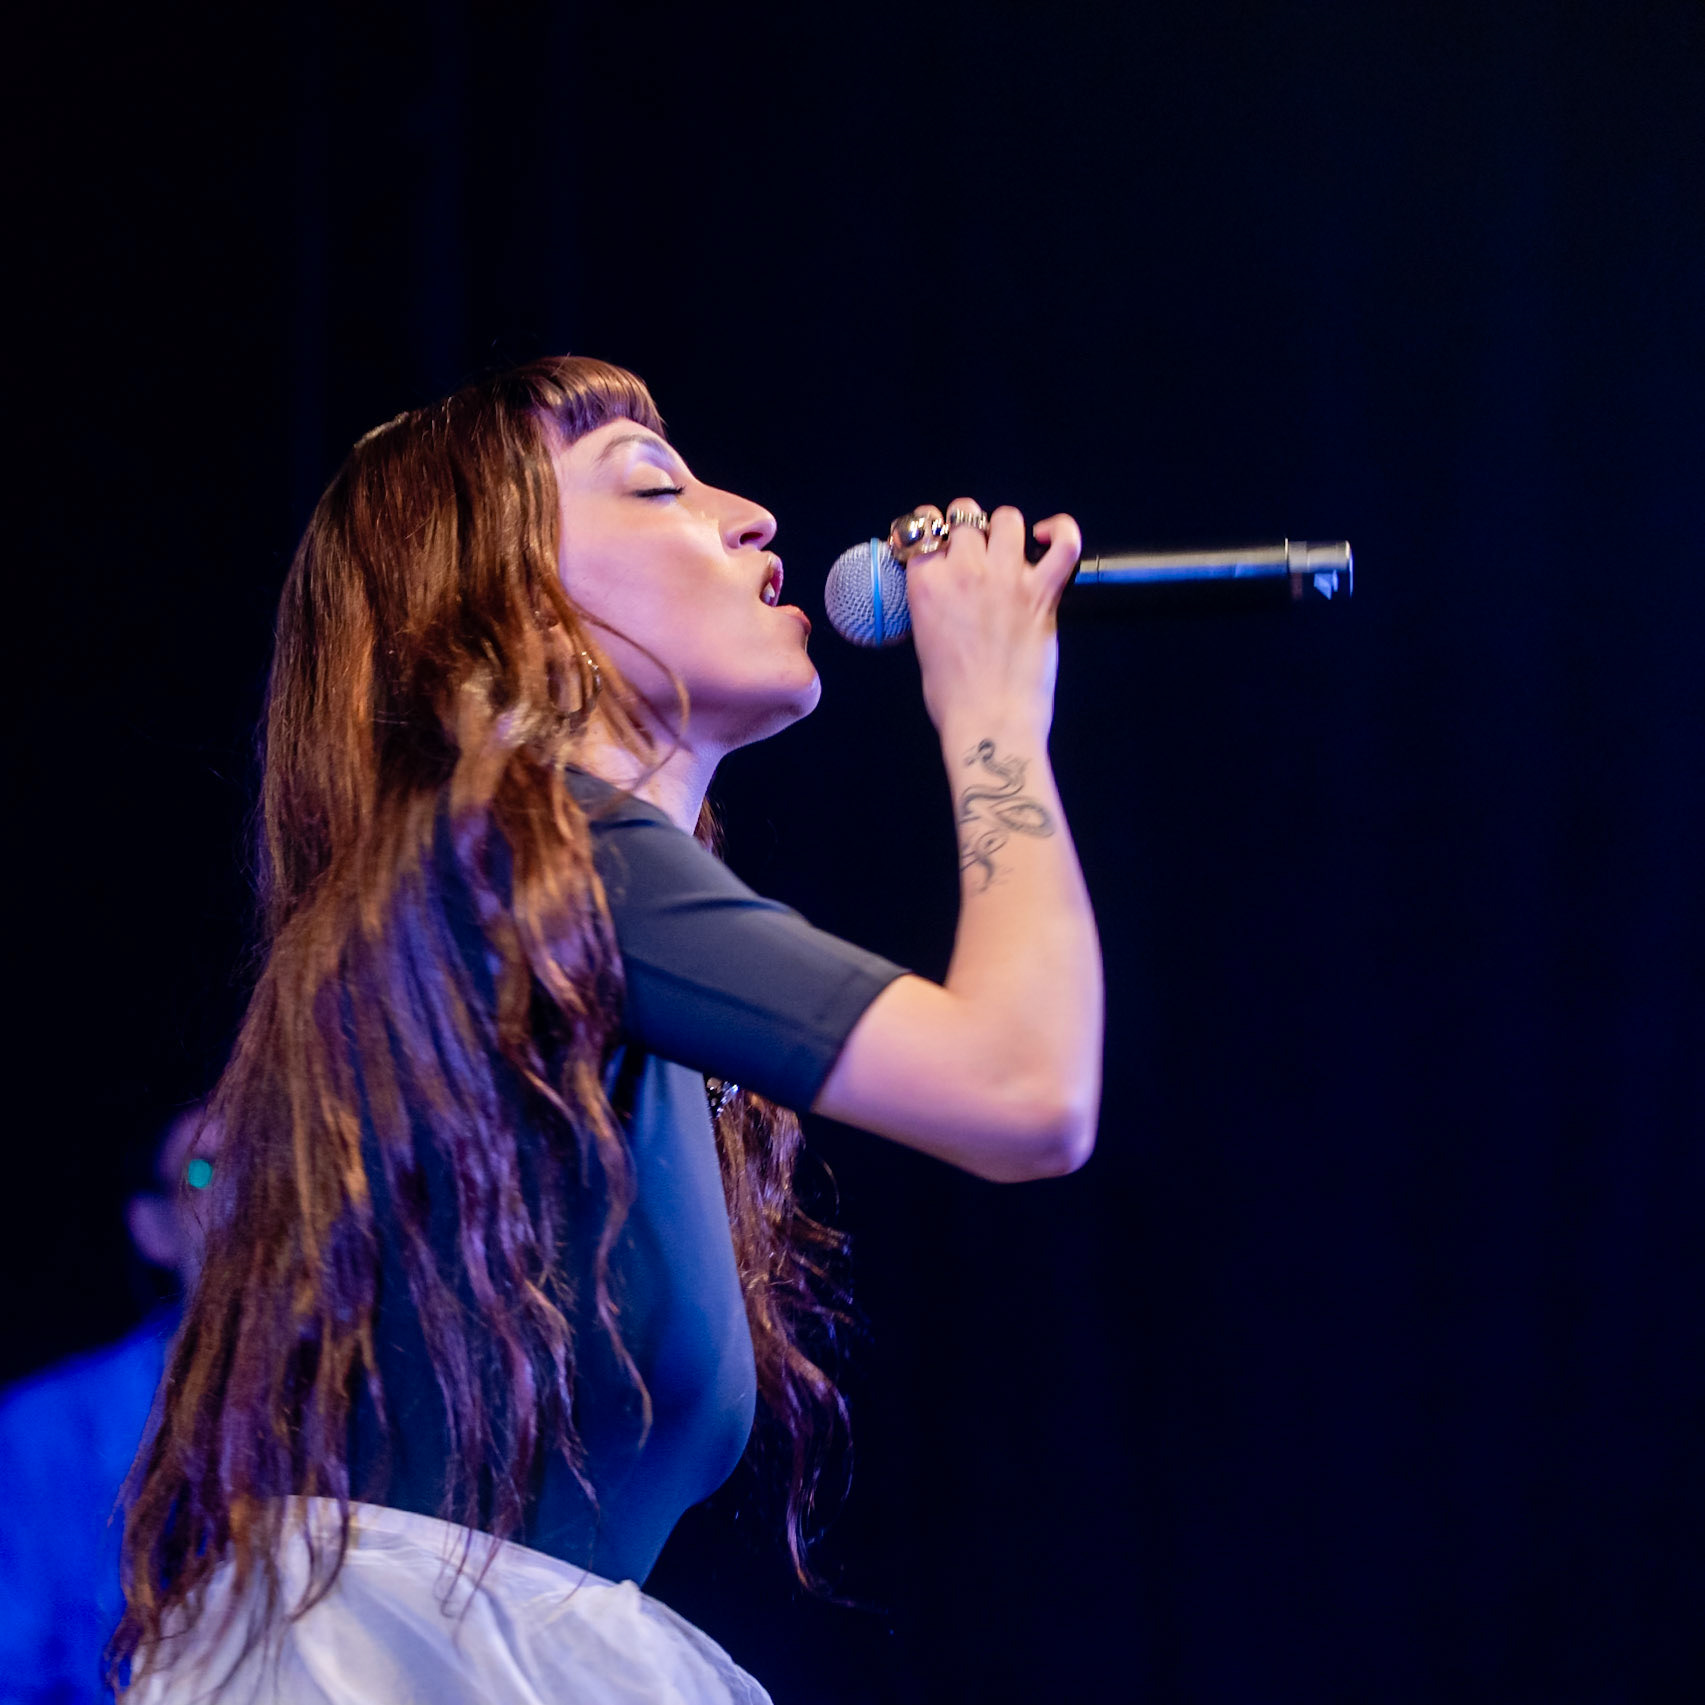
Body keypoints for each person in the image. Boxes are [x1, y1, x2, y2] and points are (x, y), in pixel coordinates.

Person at [112, 356, 1103, 1702]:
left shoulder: (570, 926)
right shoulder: (519, 854)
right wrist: (992, 718)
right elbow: (1026, 1087)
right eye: (653, 484)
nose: (751, 515)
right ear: (510, 603)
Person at [0, 1097, 214, 1702]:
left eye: (278, 1163)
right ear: (153, 1226)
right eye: (207, 1171)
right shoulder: (47, 1432)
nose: (252, 1194)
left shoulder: (373, 1411)